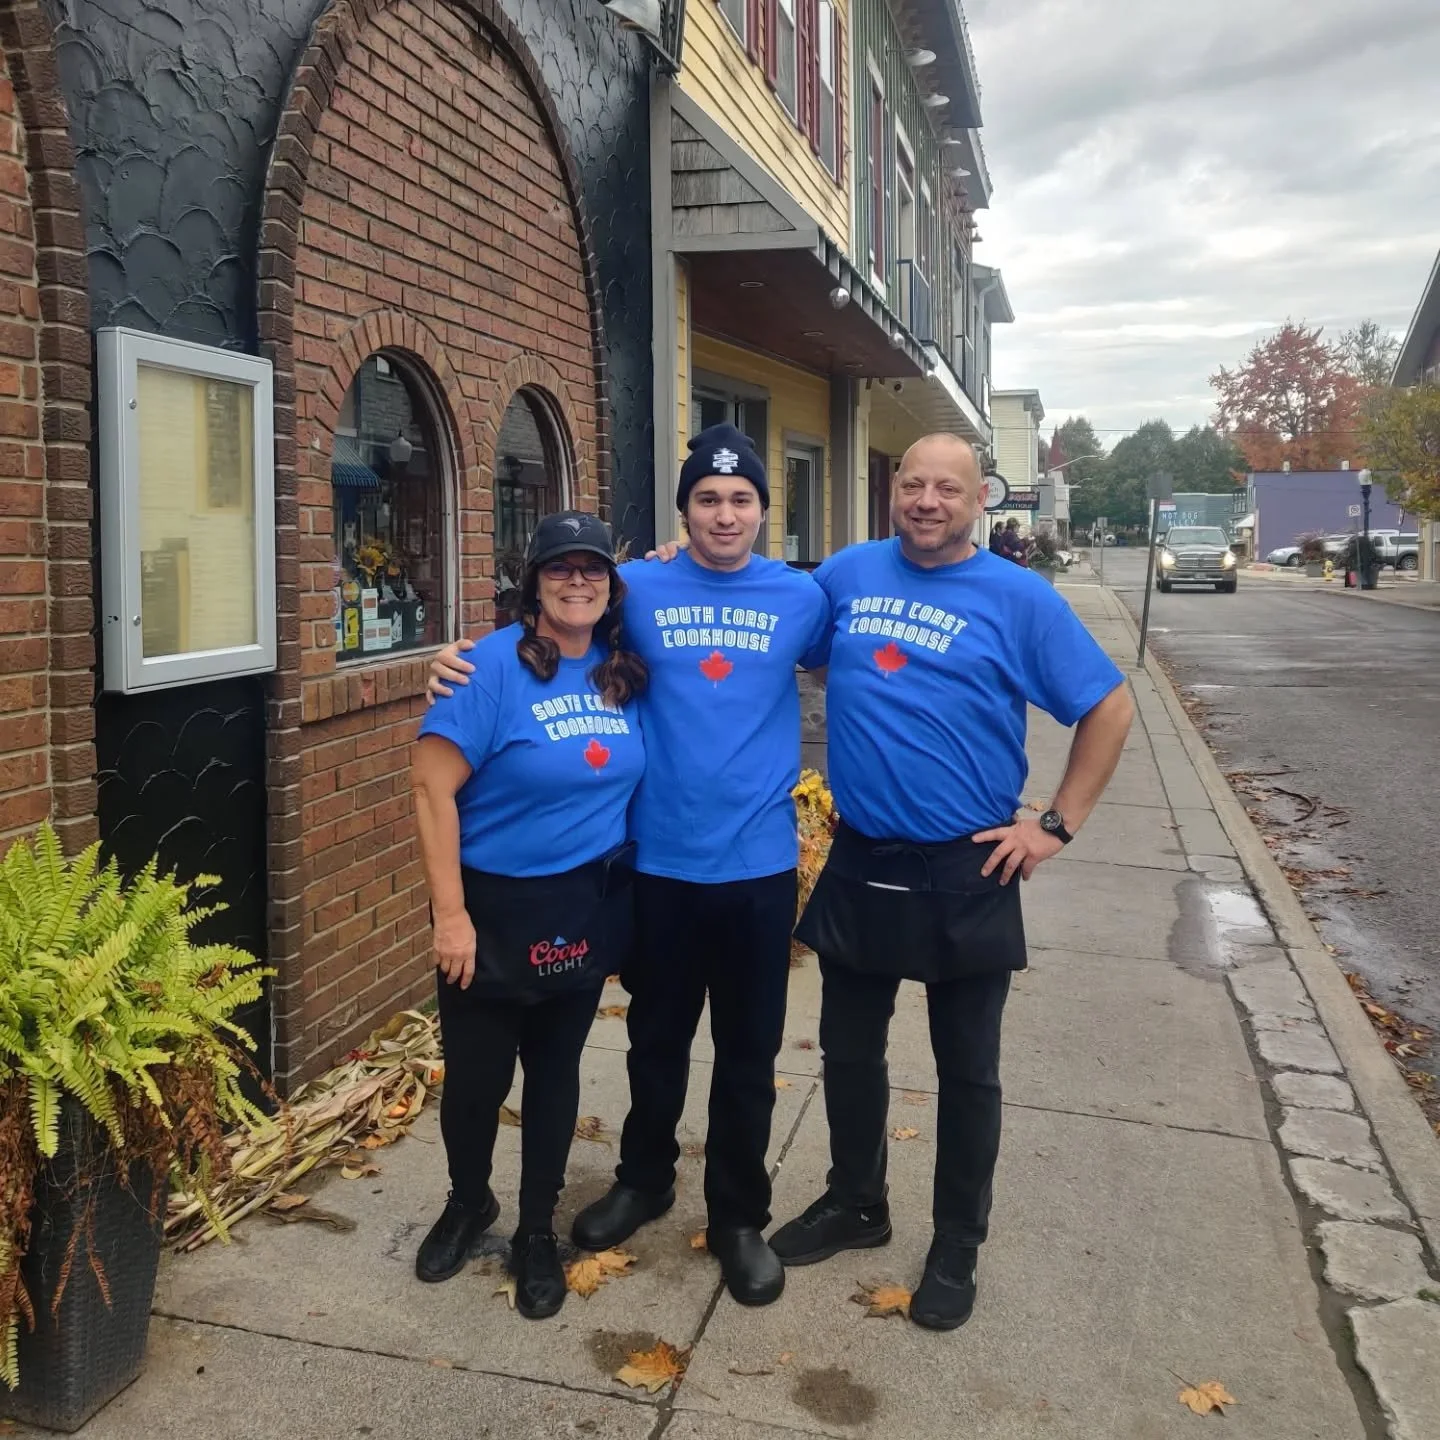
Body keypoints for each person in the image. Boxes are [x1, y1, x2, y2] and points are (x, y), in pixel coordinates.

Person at [427, 425, 831, 1307]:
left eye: (741, 498)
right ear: (683, 511)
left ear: (765, 510)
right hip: (655, 869)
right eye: (707, 498)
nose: (724, 513)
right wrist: (452, 661)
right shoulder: (635, 587)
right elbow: (544, 634)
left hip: (758, 868)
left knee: (749, 1053)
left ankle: (737, 1214)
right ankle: (644, 1178)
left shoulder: (804, 599)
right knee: (655, 1041)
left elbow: (879, 676)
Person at [768, 433, 1134, 1332]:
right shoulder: (848, 575)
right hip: (863, 856)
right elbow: (762, 621)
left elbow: (1109, 705)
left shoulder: (1019, 598)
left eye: (948, 488)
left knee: (969, 1071)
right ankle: (857, 1203)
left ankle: (957, 1243)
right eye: (913, 484)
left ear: (979, 501)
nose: (927, 500)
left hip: (968, 863)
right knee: (849, 1052)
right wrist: (670, 563)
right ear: (895, 490)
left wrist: (1054, 825)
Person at [411, 511, 647, 1320]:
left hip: (582, 905)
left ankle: (536, 1232)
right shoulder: (487, 669)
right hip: (491, 909)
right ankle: (469, 1200)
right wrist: (451, 916)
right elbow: (430, 788)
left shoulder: (624, 672)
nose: (577, 581)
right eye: (560, 568)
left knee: (554, 1078)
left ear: (611, 588)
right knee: (477, 1083)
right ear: (533, 583)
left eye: (593, 569)